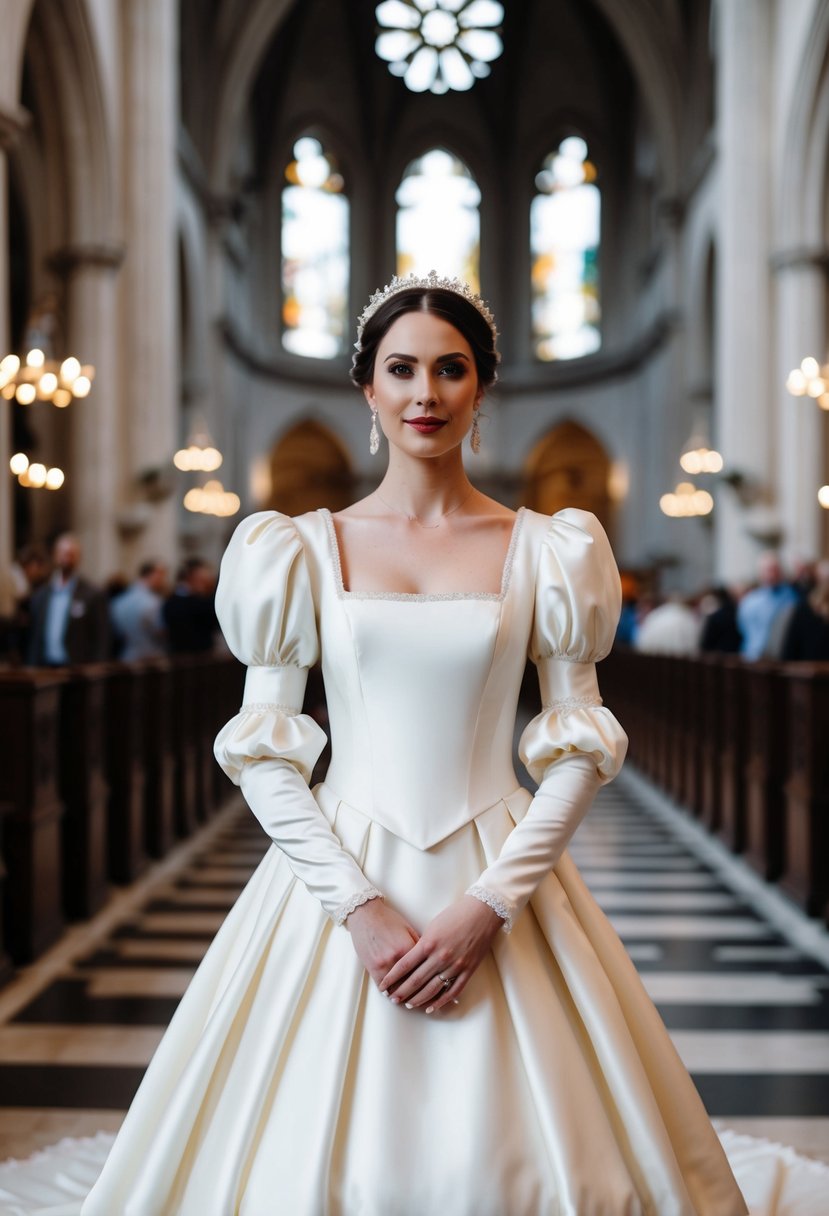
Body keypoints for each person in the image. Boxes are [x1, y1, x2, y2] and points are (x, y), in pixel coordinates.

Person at [74, 273, 748, 1214]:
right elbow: (266, 750)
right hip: (339, 877)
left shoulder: (550, 550)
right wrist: (356, 907)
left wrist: (492, 903)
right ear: (367, 389)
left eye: (449, 369)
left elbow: (578, 744)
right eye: (401, 369)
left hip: (499, 865)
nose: (424, 393)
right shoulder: (295, 548)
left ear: (480, 390)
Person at [26, 533, 110, 666]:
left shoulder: (92, 595)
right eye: (63, 553)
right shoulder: (41, 595)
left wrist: (97, 668)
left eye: (71, 554)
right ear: (55, 555)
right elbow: (34, 636)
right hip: (45, 667)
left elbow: (102, 637)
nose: (67, 558)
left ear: (79, 558)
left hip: (77, 669)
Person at [736, 551, 798, 660]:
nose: (771, 574)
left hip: (780, 658)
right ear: (760, 572)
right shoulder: (750, 601)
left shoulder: (792, 597)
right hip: (754, 656)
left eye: (775, 570)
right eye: (768, 570)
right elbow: (743, 627)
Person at [110, 560, 169, 660]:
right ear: (154, 575)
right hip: (151, 658)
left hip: (127, 657)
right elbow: (160, 631)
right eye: (162, 575)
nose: (164, 580)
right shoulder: (153, 602)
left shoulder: (120, 600)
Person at [162, 557, 218, 653]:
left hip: (188, 653)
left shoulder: (170, 600)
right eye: (202, 579)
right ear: (193, 577)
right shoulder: (195, 602)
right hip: (197, 654)